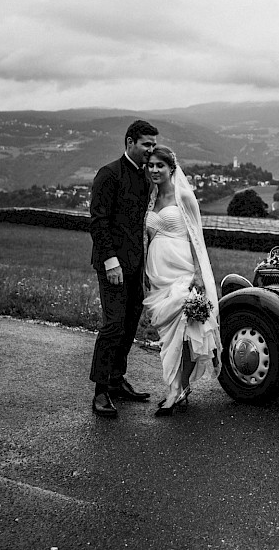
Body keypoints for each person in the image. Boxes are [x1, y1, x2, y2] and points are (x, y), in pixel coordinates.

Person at [143, 146, 221, 416]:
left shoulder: (184, 196)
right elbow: (148, 238)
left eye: (159, 166)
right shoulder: (150, 198)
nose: (154, 170)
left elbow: (196, 237)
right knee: (168, 333)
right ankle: (179, 387)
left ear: (171, 168)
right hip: (158, 275)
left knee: (188, 329)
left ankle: (177, 388)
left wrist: (199, 273)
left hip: (183, 269)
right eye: (150, 165)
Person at [88, 120, 159, 418]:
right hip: (112, 265)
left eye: (154, 145)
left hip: (135, 265)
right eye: (146, 144)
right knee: (114, 326)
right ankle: (101, 391)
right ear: (130, 142)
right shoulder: (109, 174)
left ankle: (117, 380)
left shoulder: (145, 178)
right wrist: (110, 261)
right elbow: (98, 221)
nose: (150, 151)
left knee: (130, 324)